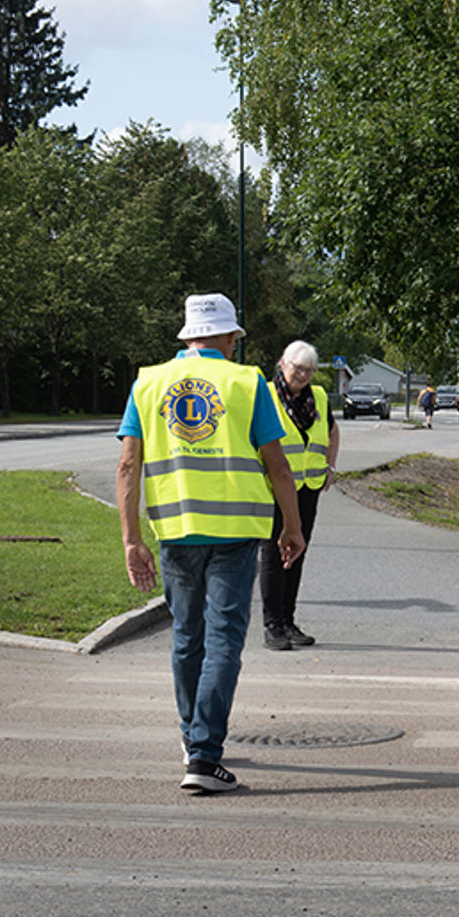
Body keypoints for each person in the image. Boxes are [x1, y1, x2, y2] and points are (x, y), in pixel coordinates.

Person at [117, 293, 305, 794]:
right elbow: (278, 465)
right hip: (236, 531)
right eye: (235, 337)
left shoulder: (148, 382)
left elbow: (127, 465)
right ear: (227, 337)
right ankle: (203, 754)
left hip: (175, 531)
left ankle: (191, 739)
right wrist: (292, 526)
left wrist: (131, 537)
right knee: (223, 639)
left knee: (187, 637)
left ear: (186, 337)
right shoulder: (246, 383)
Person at [259, 341, 339, 651]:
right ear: (283, 364)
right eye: (298, 368)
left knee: (297, 552)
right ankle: (272, 625)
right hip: (273, 487)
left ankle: (288, 620)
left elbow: (332, 431)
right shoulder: (264, 394)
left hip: (308, 486)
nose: (303, 375)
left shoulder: (317, 397)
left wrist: (330, 466)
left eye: (308, 370)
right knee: (273, 554)